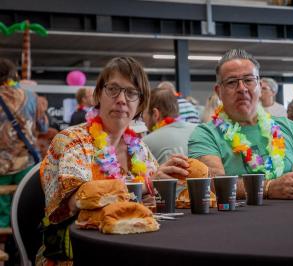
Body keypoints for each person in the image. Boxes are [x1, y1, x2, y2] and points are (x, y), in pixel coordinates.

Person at [37, 57, 189, 265]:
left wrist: (163, 185)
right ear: (98, 94)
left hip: (132, 246)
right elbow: (77, 202)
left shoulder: (139, 147)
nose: (121, 99)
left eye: (131, 92)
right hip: (77, 254)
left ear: (140, 104)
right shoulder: (73, 141)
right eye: (113, 89)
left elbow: (148, 198)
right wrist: (145, 188)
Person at [188, 49, 293, 199]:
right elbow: (212, 183)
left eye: (248, 80)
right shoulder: (206, 134)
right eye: (232, 82)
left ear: (260, 86)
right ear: (219, 91)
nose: (242, 88)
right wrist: (268, 187)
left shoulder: (288, 127)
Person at [0, 58, 48, 229]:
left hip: (1, 168)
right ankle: (22, 249)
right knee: (25, 209)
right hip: (27, 164)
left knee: (1, 214)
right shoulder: (31, 97)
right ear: (14, 75)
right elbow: (43, 126)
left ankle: (2, 248)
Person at [143, 87, 197, 164]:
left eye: (143, 113)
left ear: (155, 114)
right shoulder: (199, 130)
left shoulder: (145, 143)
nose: (143, 119)